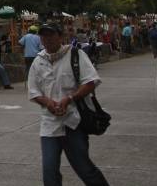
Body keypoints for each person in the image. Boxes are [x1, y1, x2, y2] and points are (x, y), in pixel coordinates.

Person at [28, 23, 109, 186]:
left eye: (50, 35)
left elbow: (91, 82)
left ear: (60, 37)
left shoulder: (75, 54)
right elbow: (33, 91)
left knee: (84, 168)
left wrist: (69, 99)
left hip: (74, 122)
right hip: (49, 124)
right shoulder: (38, 61)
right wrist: (48, 102)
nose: (47, 39)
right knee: (49, 171)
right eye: (43, 36)